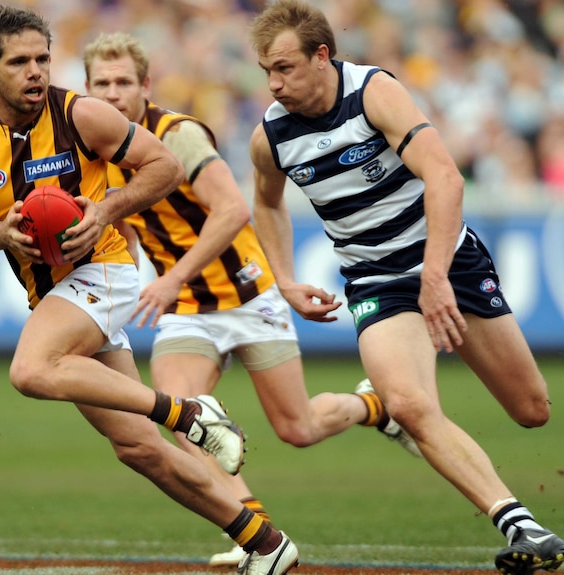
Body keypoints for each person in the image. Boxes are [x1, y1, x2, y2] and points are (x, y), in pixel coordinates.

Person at [0, 6, 298, 575]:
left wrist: (105, 211)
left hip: (104, 271)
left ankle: (187, 412)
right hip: (53, 292)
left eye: (43, 58)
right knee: (139, 449)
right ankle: (266, 544)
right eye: (19, 62)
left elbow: (164, 166)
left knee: (30, 369)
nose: (35, 71)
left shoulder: (82, 114)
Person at [247, 2, 564, 574]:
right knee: (413, 405)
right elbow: (267, 203)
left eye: (285, 68)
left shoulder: (373, 91)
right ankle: (521, 525)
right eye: (266, 70)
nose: (274, 83)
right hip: (375, 281)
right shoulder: (270, 135)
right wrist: (286, 279)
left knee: (532, 408)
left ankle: (382, 403)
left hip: (447, 259)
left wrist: (437, 275)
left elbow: (445, 175)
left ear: (322, 56)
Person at [82, 31, 419, 571]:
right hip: (188, 309)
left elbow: (234, 210)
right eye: (103, 83)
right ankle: (258, 536)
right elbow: (131, 222)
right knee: (182, 416)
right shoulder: (96, 149)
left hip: (246, 294)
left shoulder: (177, 135)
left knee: (298, 428)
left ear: (146, 85)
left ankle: (373, 406)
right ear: (88, 88)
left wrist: (170, 279)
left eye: (124, 81)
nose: (114, 92)